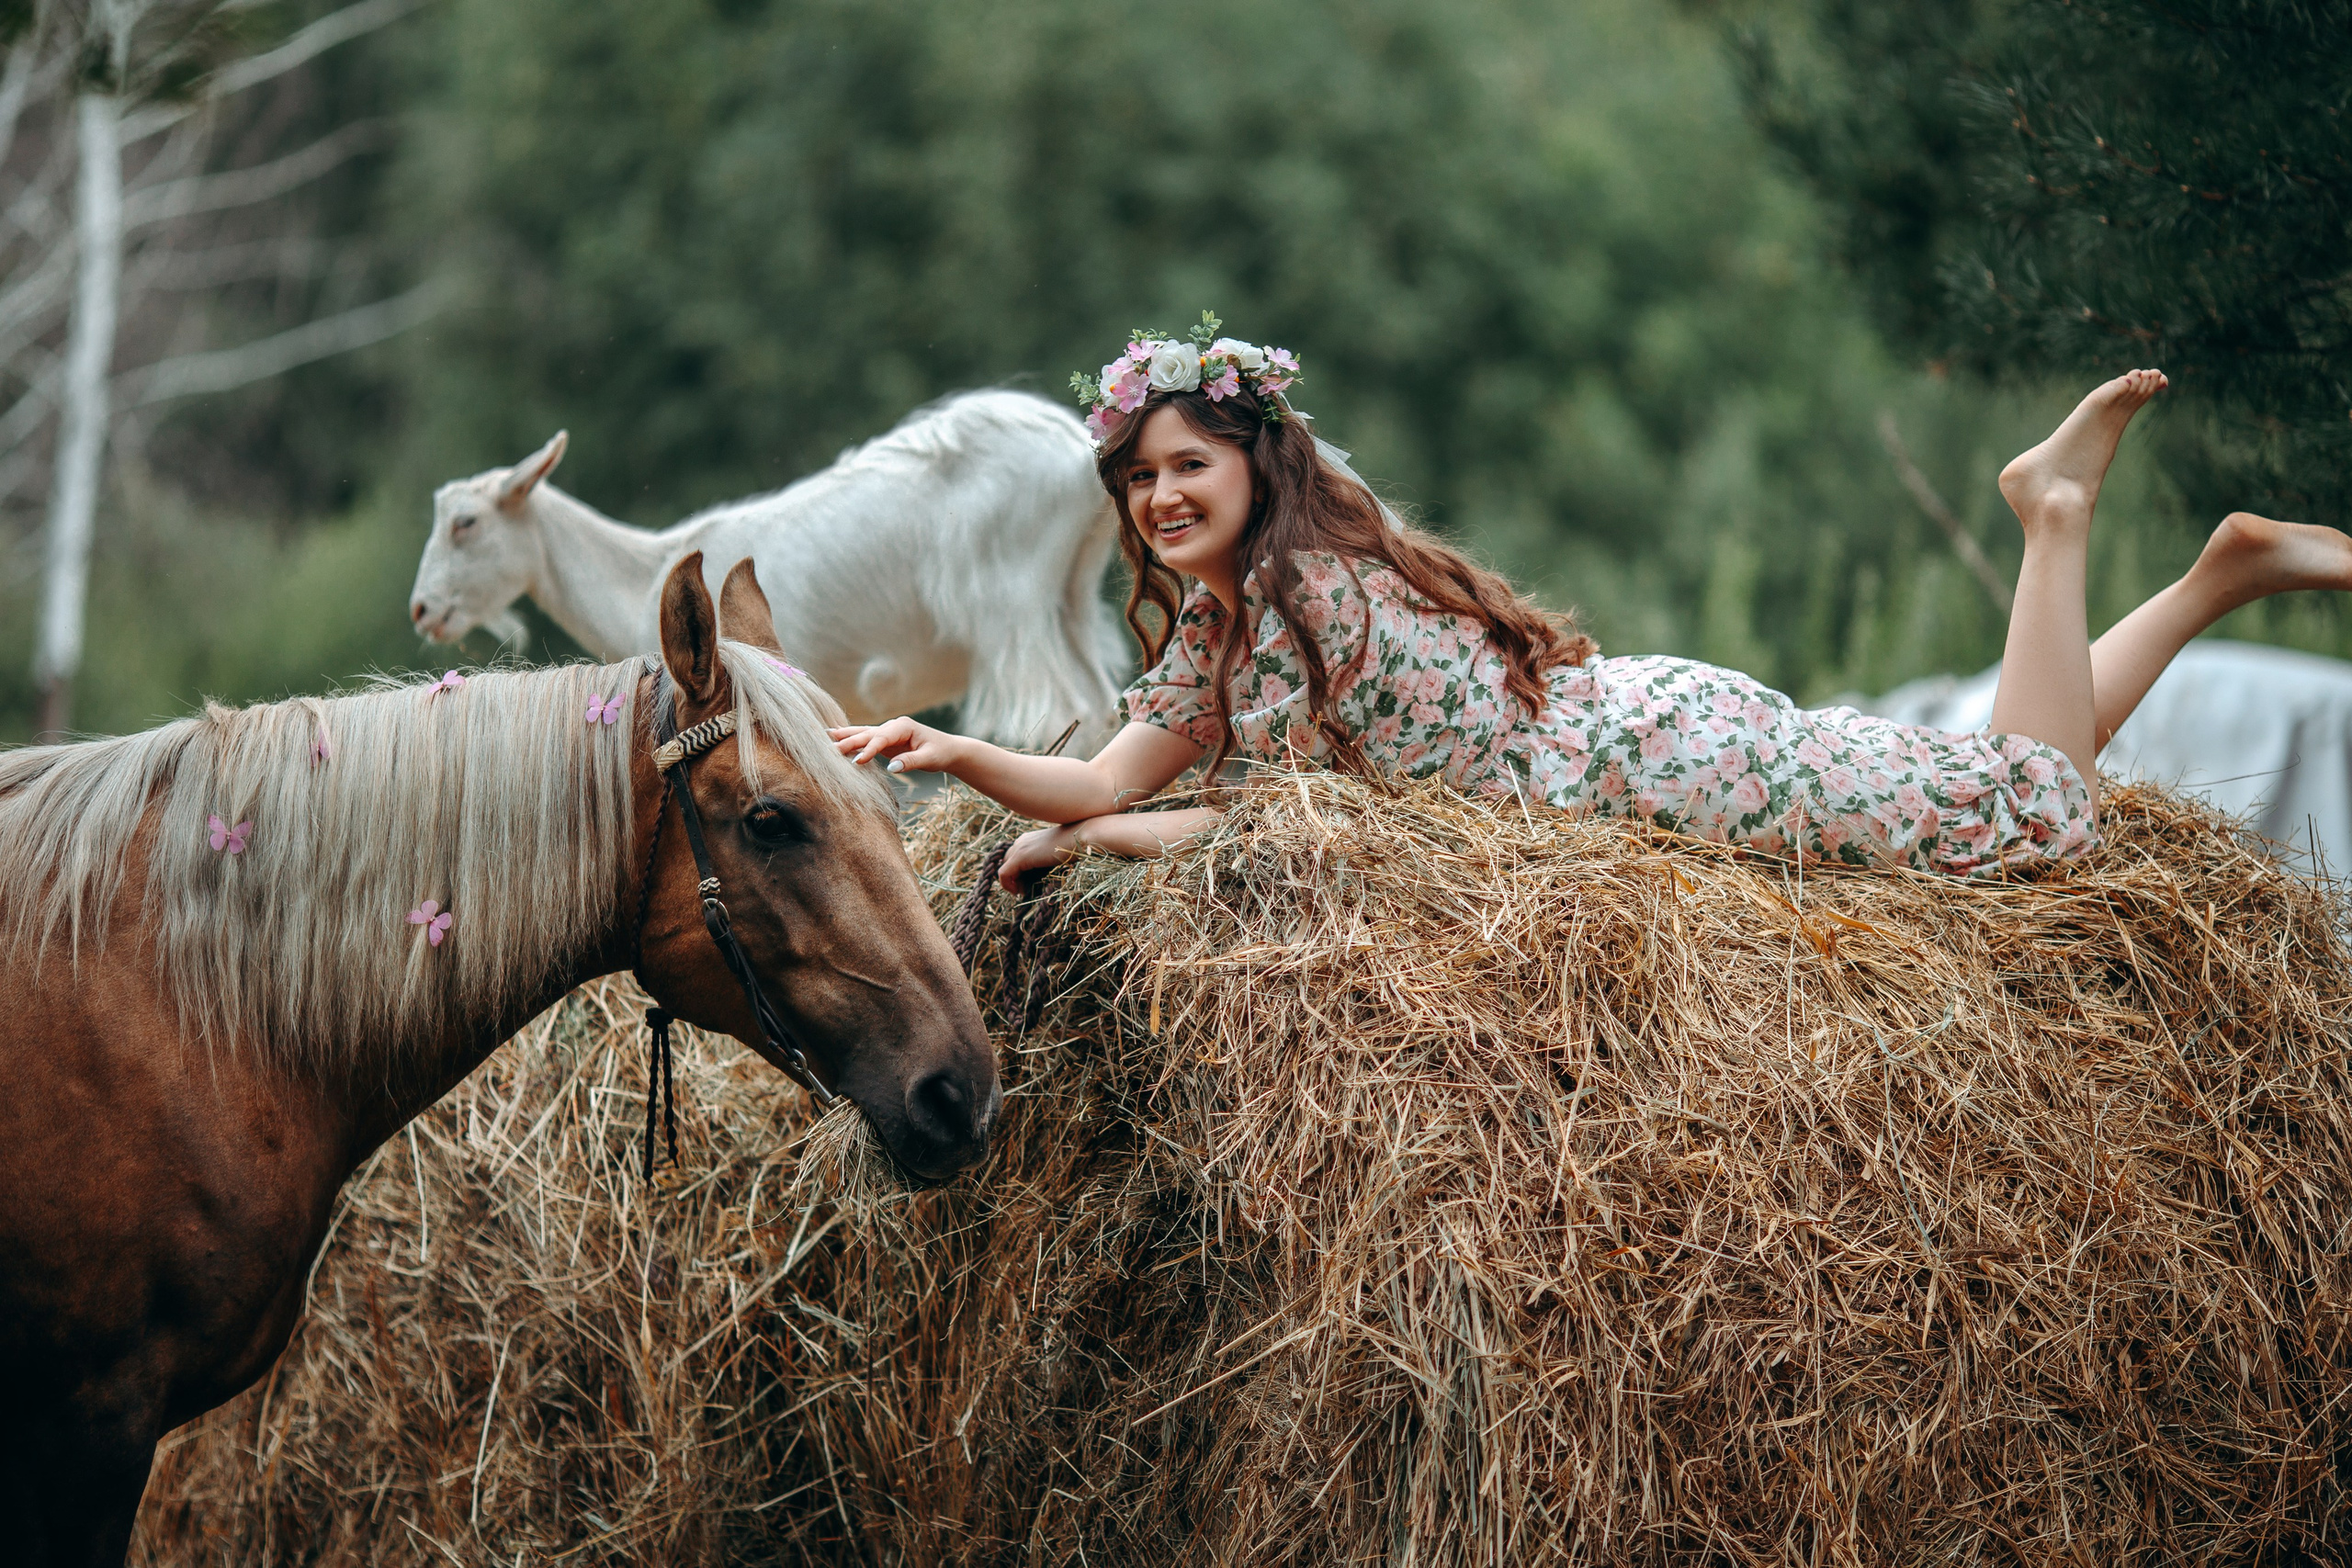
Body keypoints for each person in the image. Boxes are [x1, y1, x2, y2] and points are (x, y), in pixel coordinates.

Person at [833, 319, 2352, 888]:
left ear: (1254, 463)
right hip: (1622, 766)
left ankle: (2052, 518)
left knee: (2031, 820)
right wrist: (956, 753)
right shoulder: (1229, 629)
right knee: (2024, 800)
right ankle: (2222, 573)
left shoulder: (1313, 598)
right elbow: (1106, 773)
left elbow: (1297, 839)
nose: (1161, 499)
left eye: (1189, 465)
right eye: (1138, 482)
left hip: (1657, 766)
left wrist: (1093, 836)